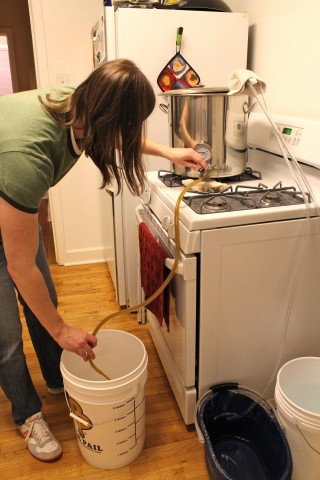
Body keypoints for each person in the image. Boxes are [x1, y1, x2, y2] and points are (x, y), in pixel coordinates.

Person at [0, 58, 205, 462]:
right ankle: (28, 414)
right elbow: (19, 266)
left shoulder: (79, 107)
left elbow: (114, 134)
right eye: (131, 127)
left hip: (11, 203)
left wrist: (168, 151)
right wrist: (62, 331)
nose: (131, 137)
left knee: (43, 302)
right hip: (8, 192)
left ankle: (55, 377)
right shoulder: (31, 153)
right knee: (6, 334)